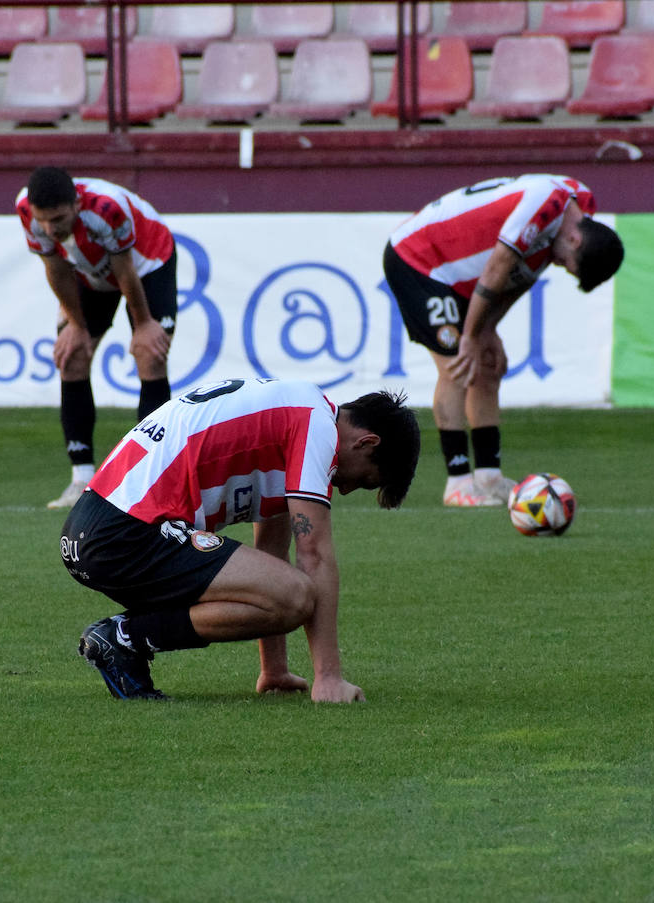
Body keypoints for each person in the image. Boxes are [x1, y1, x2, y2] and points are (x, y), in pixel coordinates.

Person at [59, 377, 420, 703]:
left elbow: (272, 555)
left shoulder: (294, 414)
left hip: (95, 529)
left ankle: (126, 638)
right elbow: (315, 556)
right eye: (364, 480)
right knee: (298, 594)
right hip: (125, 531)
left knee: (286, 591)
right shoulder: (316, 426)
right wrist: (328, 679)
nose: (345, 489)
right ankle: (124, 637)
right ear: (366, 442)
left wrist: (274, 671)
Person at [383, 174, 624, 507]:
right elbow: (498, 268)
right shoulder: (545, 204)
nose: (559, 264)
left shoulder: (575, 214)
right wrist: (470, 336)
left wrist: (487, 330)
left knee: (487, 365)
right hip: (421, 261)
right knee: (457, 363)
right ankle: (458, 482)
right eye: (566, 263)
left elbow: (521, 276)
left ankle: (488, 476)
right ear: (574, 239)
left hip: (465, 276)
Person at [16, 166, 178, 509]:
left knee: (150, 355)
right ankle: (81, 480)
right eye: (43, 220)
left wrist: (145, 323)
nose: (50, 228)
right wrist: (76, 324)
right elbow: (55, 268)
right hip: (90, 273)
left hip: (147, 265)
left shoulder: (107, 208)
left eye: (58, 218)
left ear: (76, 203)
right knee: (72, 356)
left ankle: (152, 479)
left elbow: (125, 271)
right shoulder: (26, 210)